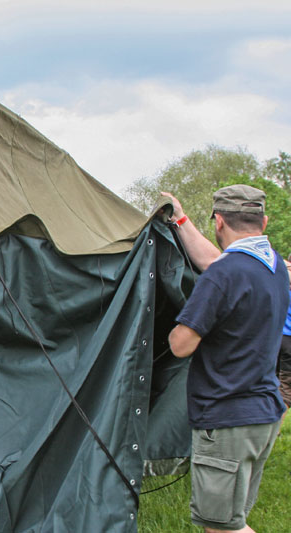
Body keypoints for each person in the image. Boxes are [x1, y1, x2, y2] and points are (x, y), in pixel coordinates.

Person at [164, 185, 288, 533]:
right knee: (231, 520)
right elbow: (216, 263)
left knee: (223, 528)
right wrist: (182, 219)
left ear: (218, 222)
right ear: (263, 221)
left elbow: (181, 345)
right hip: (263, 413)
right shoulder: (275, 267)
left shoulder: (224, 275)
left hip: (227, 419)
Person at [279, 254, 291, 416]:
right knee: (286, 390)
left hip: (276, 339)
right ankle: (274, 431)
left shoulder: (279, 285)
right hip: (289, 342)